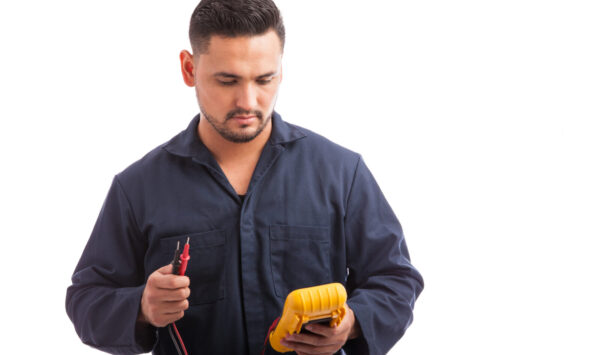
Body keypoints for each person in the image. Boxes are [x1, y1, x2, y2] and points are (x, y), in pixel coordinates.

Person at [65, 0, 424, 354]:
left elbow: (395, 279)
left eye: (264, 79)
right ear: (189, 69)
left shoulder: (342, 173)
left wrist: (353, 323)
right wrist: (142, 308)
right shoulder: (138, 187)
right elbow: (87, 300)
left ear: (280, 70)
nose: (248, 101)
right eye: (227, 80)